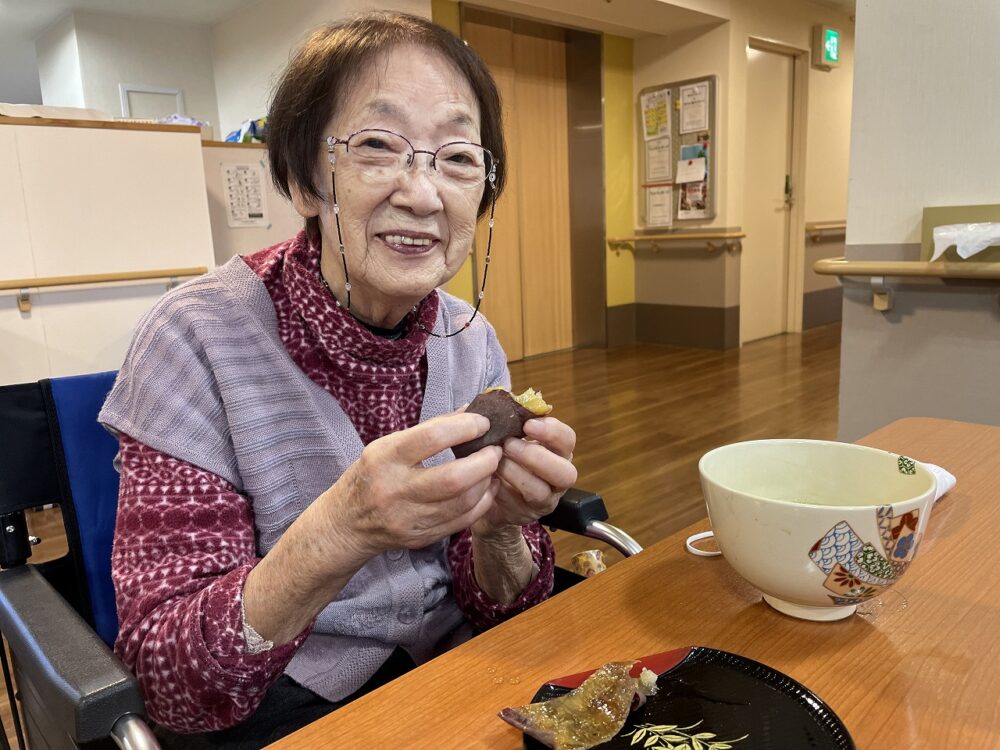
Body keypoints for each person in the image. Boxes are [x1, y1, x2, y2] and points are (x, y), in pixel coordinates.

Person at [99, 12, 577, 748]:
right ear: (301, 178)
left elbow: (504, 605)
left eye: (456, 158)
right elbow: (169, 677)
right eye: (378, 146)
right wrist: (341, 530)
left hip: (456, 682)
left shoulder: (472, 342)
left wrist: (502, 528)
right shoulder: (194, 338)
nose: (423, 194)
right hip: (279, 707)